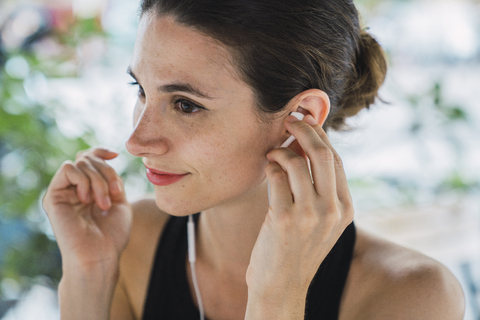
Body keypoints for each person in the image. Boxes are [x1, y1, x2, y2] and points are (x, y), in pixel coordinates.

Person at [42, 0, 465, 319]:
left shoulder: (411, 296)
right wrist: (89, 276)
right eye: (141, 89)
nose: (136, 141)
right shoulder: (131, 243)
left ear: (300, 117)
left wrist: (276, 296)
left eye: (185, 104)